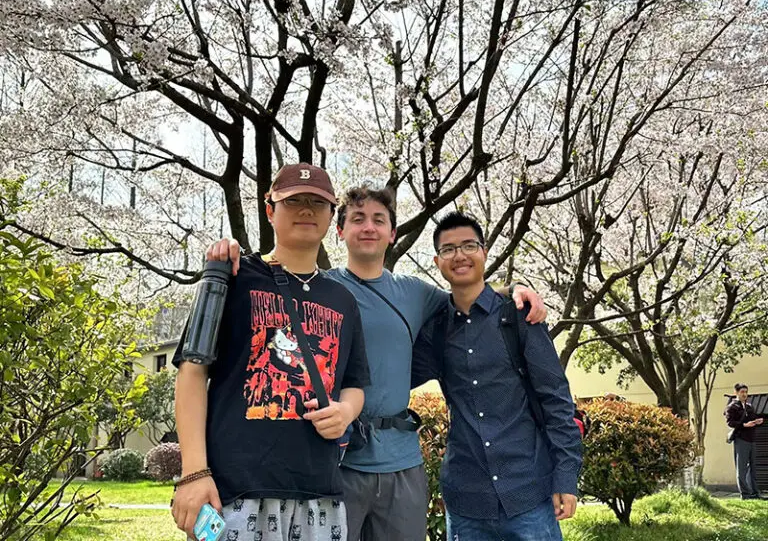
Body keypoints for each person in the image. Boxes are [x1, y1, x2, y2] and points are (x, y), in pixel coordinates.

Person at [207, 185, 547, 540]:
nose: (368, 227)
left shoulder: (415, 292)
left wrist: (517, 290)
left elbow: (466, 296)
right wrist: (230, 251)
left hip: (402, 461)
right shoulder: (322, 289)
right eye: (357, 219)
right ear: (339, 231)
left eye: (378, 220)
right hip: (337, 460)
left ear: (392, 233)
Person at [172, 164, 370, 541]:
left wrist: (345, 412)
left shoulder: (344, 300)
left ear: (333, 217)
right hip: (236, 493)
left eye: (318, 203)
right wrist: (195, 473)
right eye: (293, 200)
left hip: (320, 496)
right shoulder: (233, 277)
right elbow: (192, 371)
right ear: (269, 210)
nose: (307, 209)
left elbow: (356, 382)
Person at [411, 211, 582, 541]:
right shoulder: (436, 329)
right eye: (448, 249)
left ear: (484, 252)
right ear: (437, 261)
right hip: (466, 500)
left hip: (528, 493)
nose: (459, 255)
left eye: (469, 245)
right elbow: (393, 375)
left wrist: (565, 475)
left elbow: (556, 399)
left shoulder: (518, 315)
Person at [726, 383, 764, 500]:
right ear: (736, 393)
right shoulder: (732, 407)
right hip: (741, 439)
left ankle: (755, 493)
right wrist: (743, 425)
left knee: (753, 466)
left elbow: (752, 419)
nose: (745, 394)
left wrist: (757, 421)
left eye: (746, 392)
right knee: (742, 468)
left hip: (752, 439)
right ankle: (745, 494)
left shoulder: (749, 406)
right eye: (742, 392)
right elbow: (730, 422)